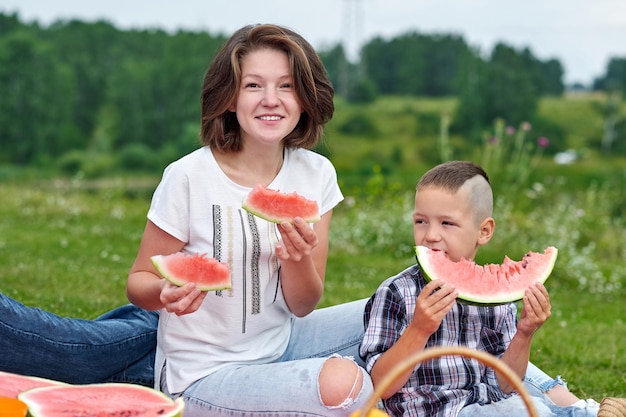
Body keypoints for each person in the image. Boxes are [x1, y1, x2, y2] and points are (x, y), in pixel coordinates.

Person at [124, 23, 372, 416]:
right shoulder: (188, 176)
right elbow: (138, 283)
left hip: (284, 343)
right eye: (253, 85)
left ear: (305, 98)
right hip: (202, 376)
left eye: (287, 86)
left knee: (400, 305)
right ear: (228, 98)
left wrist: (296, 259)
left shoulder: (317, 174)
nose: (271, 100)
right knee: (348, 386)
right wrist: (165, 295)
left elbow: (303, 304)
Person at [359, 160, 600, 417]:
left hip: (485, 408)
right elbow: (381, 386)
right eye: (421, 221)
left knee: (526, 407)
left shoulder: (499, 302)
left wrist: (524, 334)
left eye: (447, 223)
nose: (430, 235)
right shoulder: (396, 292)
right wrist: (418, 330)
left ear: (483, 231)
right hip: (429, 412)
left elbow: (505, 385)